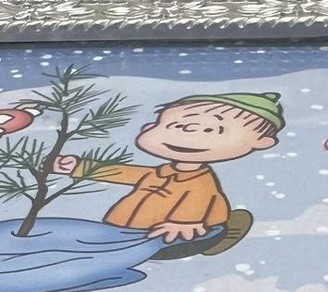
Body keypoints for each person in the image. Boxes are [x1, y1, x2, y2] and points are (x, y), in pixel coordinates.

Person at [52, 91, 284, 258]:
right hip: (122, 232)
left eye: (211, 129)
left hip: (165, 238)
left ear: (261, 142)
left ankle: (218, 235)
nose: (187, 135)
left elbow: (201, 201)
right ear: (148, 129)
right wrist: (78, 166)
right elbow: (124, 172)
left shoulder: (201, 183)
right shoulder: (159, 173)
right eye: (175, 126)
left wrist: (186, 223)